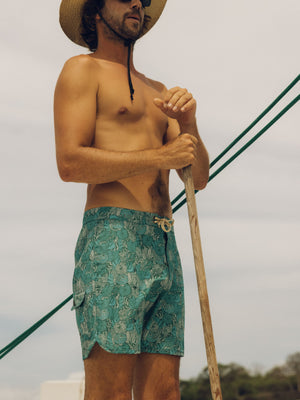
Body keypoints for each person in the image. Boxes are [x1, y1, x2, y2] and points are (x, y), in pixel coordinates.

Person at [54, 0, 209, 399]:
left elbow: (199, 178)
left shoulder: (158, 90)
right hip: (112, 237)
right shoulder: (81, 70)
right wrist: (160, 157)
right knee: (112, 393)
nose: (137, 3)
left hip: (163, 240)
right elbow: (70, 163)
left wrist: (189, 123)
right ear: (94, 13)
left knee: (165, 392)